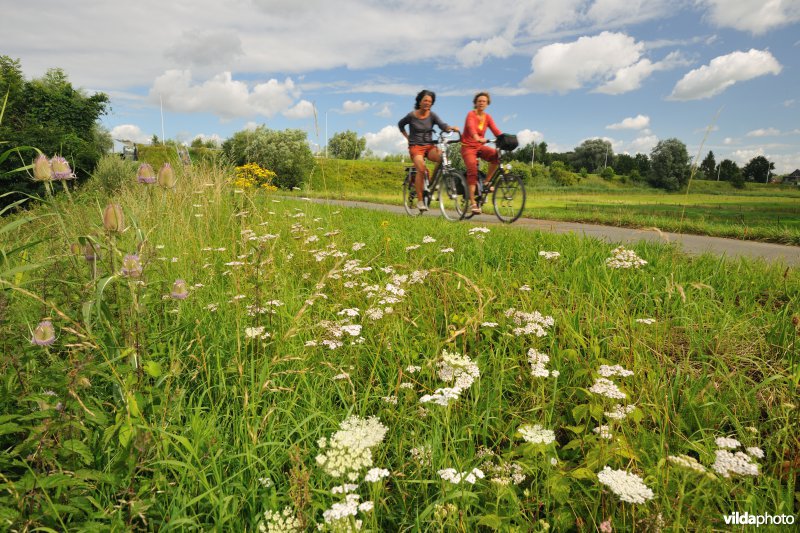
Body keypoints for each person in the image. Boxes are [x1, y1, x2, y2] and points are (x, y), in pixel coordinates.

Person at [398, 90, 459, 212]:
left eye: (430, 102)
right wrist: (408, 137)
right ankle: (420, 201)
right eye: (425, 100)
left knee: (442, 157)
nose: (427, 103)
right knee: (421, 169)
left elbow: (442, 125)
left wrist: (450, 128)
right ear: (420, 101)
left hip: (429, 146)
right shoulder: (411, 115)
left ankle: (432, 182)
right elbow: (400, 124)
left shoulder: (432, 115)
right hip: (415, 147)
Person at [461, 91, 502, 214]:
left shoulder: (487, 117)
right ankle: (473, 203)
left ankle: (486, 182)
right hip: (467, 147)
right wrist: (476, 137)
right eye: (479, 101)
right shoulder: (471, 115)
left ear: (487, 103)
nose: (481, 103)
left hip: (479, 146)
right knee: (472, 170)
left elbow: (495, 130)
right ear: (475, 103)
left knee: (496, 155)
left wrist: (504, 138)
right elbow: (471, 127)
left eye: (484, 101)